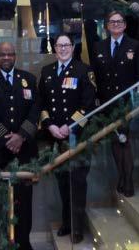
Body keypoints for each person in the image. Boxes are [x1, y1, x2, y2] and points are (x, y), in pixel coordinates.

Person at [0, 42, 40, 250]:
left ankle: (23, 244)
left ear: (15, 56)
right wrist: (6, 139)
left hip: (23, 153)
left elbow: (36, 110)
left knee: (23, 202)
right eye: (2, 54)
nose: (6, 57)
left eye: (10, 54)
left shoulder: (28, 79)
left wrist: (21, 136)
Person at [38, 34, 96, 244]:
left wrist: (70, 125)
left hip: (78, 136)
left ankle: (77, 226)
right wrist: (49, 125)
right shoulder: (47, 71)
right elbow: (41, 103)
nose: (62, 49)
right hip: (55, 137)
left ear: (72, 47)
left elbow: (88, 105)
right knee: (62, 181)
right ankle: (67, 222)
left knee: (78, 182)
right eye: (59, 45)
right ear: (54, 48)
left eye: (66, 45)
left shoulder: (84, 70)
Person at [91, 12, 139, 196]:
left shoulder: (135, 45)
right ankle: (121, 176)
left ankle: (128, 179)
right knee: (115, 140)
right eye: (112, 22)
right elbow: (95, 76)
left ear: (125, 25)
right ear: (107, 25)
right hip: (107, 102)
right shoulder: (98, 46)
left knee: (125, 140)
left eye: (119, 21)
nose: (116, 24)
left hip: (127, 102)